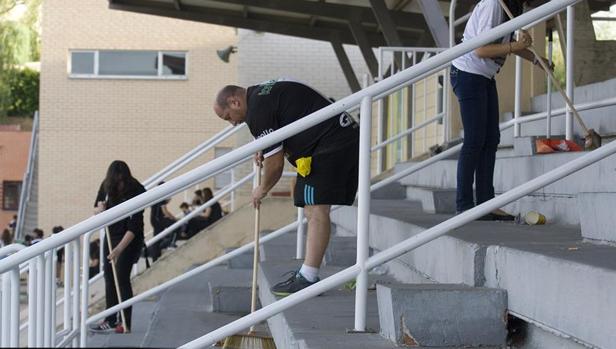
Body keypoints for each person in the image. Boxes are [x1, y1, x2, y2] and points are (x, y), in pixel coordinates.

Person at [214, 79, 359, 296]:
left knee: (316, 207)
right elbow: (281, 127)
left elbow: (275, 164)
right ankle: (308, 273)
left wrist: (262, 189)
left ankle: (308, 278)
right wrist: (266, 146)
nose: (232, 124)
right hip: (334, 138)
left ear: (234, 102)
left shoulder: (257, 112)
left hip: (331, 144)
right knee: (310, 205)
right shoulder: (260, 97)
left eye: (228, 118)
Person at [450, 0, 551, 220]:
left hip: (484, 76)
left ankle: (486, 204)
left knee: (491, 138)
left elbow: (505, 42)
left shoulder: (511, 6)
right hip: (468, 73)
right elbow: (481, 49)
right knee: (475, 139)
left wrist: (535, 58)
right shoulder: (493, 5)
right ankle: (464, 205)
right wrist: (517, 46)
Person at [90, 160, 145, 334]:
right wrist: (101, 208)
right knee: (109, 276)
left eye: (123, 181)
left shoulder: (136, 189)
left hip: (130, 238)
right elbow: (96, 209)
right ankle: (111, 319)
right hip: (111, 235)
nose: (120, 185)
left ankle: (125, 322)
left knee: (121, 276)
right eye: (117, 182)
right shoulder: (106, 186)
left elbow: (134, 226)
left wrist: (119, 249)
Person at [148, 182, 178, 262]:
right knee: (176, 225)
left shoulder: (156, 196)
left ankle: (155, 257)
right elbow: (165, 212)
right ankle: (171, 243)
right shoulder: (161, 195)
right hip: (159, 220)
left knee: (157, 238)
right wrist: (174, 219)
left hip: (154, 219)